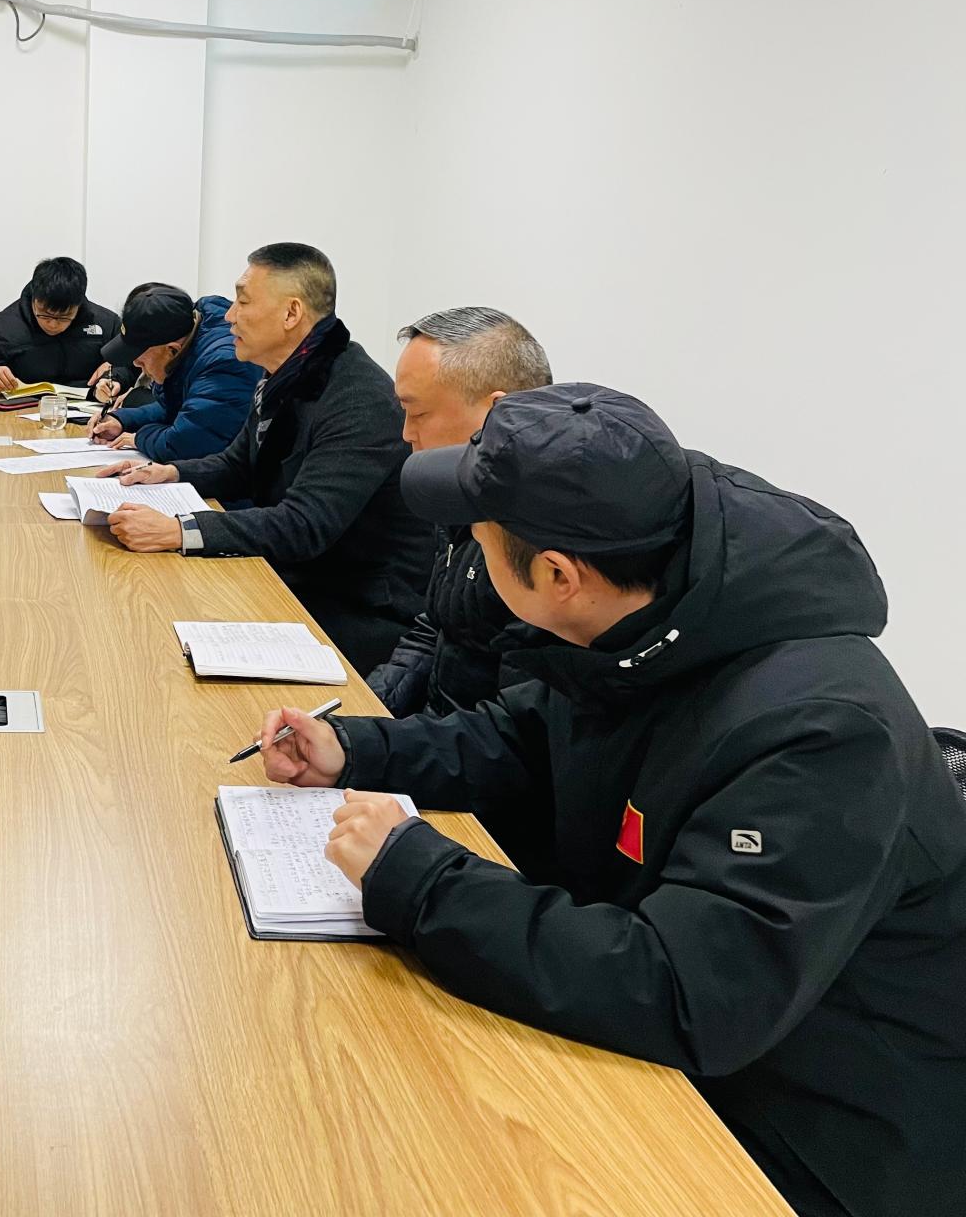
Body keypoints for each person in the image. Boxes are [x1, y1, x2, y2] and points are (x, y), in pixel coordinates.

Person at [253, 384, 966, 1217]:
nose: (470, 555)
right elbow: (529, 734)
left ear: (558, 575)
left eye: (481, 541)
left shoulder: (821, 734)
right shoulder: (659, 608)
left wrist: (422, 878)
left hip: (817, 1130)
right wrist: (359, 750)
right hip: (690, 1041)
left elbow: (690, 995)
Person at [94, 243, 430, 672]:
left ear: (291, 313)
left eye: (244, 301)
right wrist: (168, 472)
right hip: (298, 575)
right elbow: (238, 464)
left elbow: (304, 525)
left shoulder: (357, 398)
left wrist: (179, 530)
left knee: (161, 640)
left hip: (353, 605)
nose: (230, 316)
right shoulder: (288, 373)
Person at [365, 307, 552, 718]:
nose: (406, 433)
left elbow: (509, 731)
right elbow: (434, 629)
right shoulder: (460, 495)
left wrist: (375, 741)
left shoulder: (542, 538)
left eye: (418, 413)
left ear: (497, 413)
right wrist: (367, 710)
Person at [86, 283, 259, 463]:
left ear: (172, 350)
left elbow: (186, 444)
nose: (136, 364)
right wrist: (122, 420)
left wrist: (139, 437)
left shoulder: (224, 365)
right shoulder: (190, 334)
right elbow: (175, 406)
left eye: (141, 358)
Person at [0, 256, 119, 396]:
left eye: (64, 317)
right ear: (34, 298)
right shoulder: (7, 327)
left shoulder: (105, 322)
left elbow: (132, 364)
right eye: (45, 314)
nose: (53, 324)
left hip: (91, 417)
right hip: (22, 417)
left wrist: (115, 373)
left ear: (78, 305)